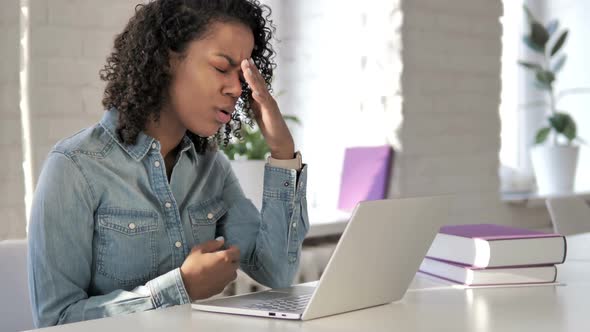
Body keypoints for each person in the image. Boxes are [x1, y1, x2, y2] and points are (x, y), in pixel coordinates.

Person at [27, 0, 308, 327]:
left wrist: (283, 152)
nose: (235, 88)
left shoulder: (210, 168)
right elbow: (55, 320)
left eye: (242, 75)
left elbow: (276, 271)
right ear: (166, 60)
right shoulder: (75, 167)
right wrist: (180, 287)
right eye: (221, 67)